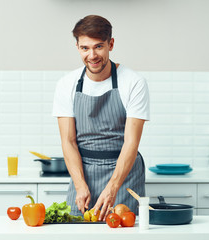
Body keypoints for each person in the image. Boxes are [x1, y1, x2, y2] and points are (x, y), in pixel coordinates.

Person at [52, 15, 150, 221]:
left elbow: (131, 142)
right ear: (77, 47)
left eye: (98, 47)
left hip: (124, 175)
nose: (92, 55)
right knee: (75, 230)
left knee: (122, 231)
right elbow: (68, 141)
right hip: (83, 172)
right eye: (85, 48)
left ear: (110, 44)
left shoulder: (134, 82)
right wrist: (80, 185)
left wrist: (113, 188)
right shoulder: (66, 84)